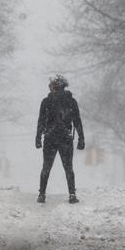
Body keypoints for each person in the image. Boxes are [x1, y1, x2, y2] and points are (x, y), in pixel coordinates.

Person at [36, 74, 84, 204]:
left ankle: (42, 194)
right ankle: (72, 195)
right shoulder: (71, 101)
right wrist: (81, 138)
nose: (49, 86)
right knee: (68, 168)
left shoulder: (46, 101)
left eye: (51, 84)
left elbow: (41, 121)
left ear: (56, 86)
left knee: (46, 167)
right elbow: (77, 121)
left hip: (50, 138)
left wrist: (38, 137)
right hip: (65, 138)